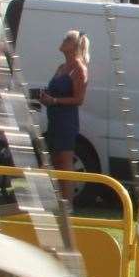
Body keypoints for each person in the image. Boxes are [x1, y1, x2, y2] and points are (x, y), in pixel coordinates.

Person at [36, 30, 90, 202]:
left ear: (75, 45)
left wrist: (55, 100)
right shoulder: (61, 67)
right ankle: (51, 200)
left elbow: (79, 99)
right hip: (54, 118)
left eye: (67, 39)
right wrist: (45, 97)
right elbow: (55, 91)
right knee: (52, 160)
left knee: (65, 162)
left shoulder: (79, 69)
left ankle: (67, 206)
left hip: (66, 121)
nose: (63, 40)